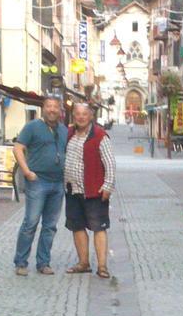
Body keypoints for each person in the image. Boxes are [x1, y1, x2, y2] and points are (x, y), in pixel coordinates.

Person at [13, 96, 69, 276]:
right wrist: (27, 172)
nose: (52, 110)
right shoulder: (32, 127)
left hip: (57, 182)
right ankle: (21, 262)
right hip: (38, 181)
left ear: (60, 110)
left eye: (55, 107)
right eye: (49, 106)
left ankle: (43, 263)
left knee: (50, 226)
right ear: (43, 109)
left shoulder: (64, 130)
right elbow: (18, 148)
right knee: (31, 223)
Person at [63, 103, 116, 279]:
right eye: (77, 114)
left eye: (84, 114)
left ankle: (102, 266)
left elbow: (110, 163)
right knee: (76, 227)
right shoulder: (70, 134)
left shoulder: (100, 136)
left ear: (91, 116)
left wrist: (108, 186)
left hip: (94, 190)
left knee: (98, 227)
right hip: (72, 189)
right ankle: (83, 263)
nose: (81, 117)